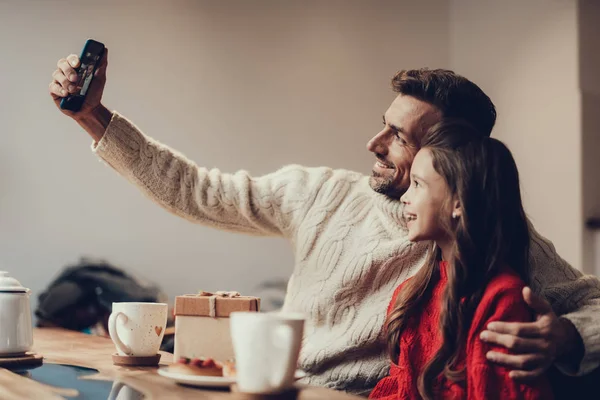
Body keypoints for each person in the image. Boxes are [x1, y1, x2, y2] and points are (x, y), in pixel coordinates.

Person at [48, 49, 600, 395]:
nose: (373, 144)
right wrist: (93, 116)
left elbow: (592, 302)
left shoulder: (486, 233)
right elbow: (195, 191)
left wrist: (570, 336)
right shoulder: (322, 193)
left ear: (451, 156)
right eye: (382, 125)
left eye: (399, 138)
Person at [369, 120, 553, 399]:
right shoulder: (410, 294)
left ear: (459, 202)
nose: (405, 197)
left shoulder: (502, 298)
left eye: (418, 184)